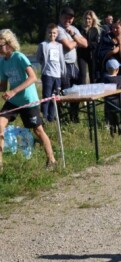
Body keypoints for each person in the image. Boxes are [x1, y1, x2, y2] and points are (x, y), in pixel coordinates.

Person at [0, 29, 56, 169]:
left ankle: (52, 160)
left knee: (38, 130)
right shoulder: (2, 62)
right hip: (13, 101)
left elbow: (33, 77)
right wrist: (6, 91)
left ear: (9, 44)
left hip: (28, 100)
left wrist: (13, 91)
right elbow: (2, 86)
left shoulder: (19, 57)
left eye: (0, 45)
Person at [57, 7, 88, 123]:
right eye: (66, 17)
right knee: (64, 92)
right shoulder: (58, 29)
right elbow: (68, 46)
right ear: (61, 16)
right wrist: (77, 41)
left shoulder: (73, 29)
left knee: (76, 91)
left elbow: (85, 44)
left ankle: (74, 116)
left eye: (70, 18)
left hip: (73, 64)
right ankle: (61, 118)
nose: (68, 20)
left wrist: (73, 35)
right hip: (62, 65)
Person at [36, 23, 65, 122]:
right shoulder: (43, 45)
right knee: (47, 96)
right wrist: (45, 65)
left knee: (55, 97)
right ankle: (44, 117)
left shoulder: (59, 46)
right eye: (50, 33)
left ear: (57, 34)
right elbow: (38, 58)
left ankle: (51, 118)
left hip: (57, 75)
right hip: (47, 74)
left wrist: (62, 72)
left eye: (54, 33)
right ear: (46, 33)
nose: (52, 35)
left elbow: (61, 60)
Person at [103, 58, 121, 136]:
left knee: (111, 122)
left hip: (108, 105)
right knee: (120, 122)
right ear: (117, 70)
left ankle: (112, 135)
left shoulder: (104, 79)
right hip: (120, 104)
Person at [78, 10, 101, 84]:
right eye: (86, 18)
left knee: (92, 75)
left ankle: (93, 92)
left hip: (92, 55)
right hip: (81, 54)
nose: (87, 20)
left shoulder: (95, 30)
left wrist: (86, 44)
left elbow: (96, 44)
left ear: (93, 19)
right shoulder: (80, 29)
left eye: (89, 19)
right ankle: (82, 93)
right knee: (83, 75)